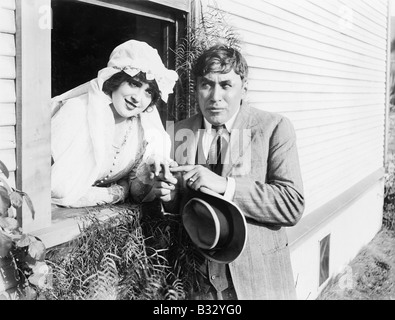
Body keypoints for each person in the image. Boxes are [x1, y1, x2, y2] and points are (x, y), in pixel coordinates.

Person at [168, 44, 305, 300]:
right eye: (206, 84)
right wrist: (167, 196)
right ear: (196, 88)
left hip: (256, 281)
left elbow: (292, 204)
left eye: (226, 85)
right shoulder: (177, 133)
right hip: (195, 285)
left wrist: (226, 186)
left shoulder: (273, 127)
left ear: (244, 88)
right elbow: (177, 209)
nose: (215, 96)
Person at [51, 40, 178, 208]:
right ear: (115, 79)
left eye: (148, 92)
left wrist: (151, 178)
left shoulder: (141, 128)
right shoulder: (78, 112)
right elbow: (58, 189)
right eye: (134, 84)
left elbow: (135, 189)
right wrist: (117, 192)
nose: (138, 98)